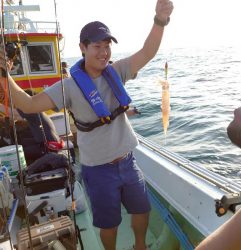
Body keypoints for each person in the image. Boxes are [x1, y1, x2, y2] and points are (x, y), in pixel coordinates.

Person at [0, 0, 174, 249]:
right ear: (82, 47)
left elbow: (148, 52)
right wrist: (5, 77)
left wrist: (160, 20)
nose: (104, 52)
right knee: (109, 224)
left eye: (107, 46)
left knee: (142, 210)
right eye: (97, 46)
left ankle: (140, 246)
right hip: (98, 169)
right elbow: (28, 104)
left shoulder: (118, 70)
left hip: (127, 161)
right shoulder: (68, 87)